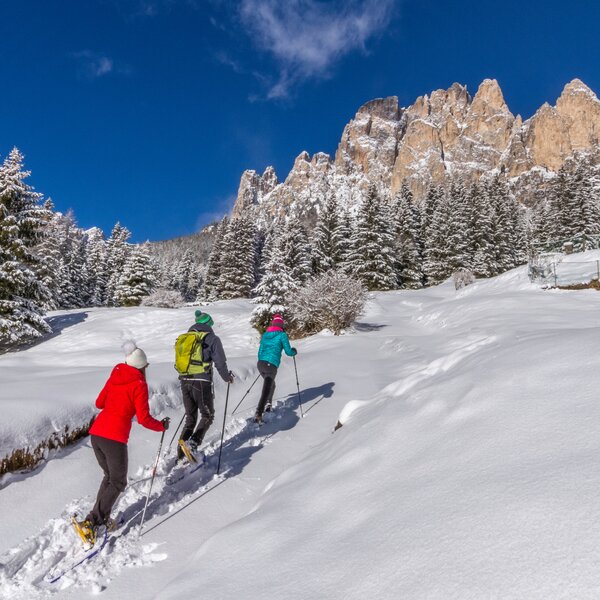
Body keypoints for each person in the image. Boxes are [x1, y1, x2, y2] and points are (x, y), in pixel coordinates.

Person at [75, 341, 169, 545]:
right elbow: (144, 419)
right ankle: (92, 522)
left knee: (109, 477)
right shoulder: (139, 384)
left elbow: (99, 403)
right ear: (142, 367)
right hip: (114, 438)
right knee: (118, 481)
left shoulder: (115, 376)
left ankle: (100, 517)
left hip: (97, 434)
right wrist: (161, 426)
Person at [177, 310, 233, 461]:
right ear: (208, 324)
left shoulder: (185, 338)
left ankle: (181, 455)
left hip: (184, 380)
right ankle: (193, 444)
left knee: (190, 418)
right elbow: (220, 362)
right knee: (207, 415)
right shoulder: (212, 339)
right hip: (202, 381)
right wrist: (227, 377)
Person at [254, 314, 297, 424]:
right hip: (271, 364)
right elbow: (288, 352)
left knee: (271, 385)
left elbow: (260, 351)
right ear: (281, 325)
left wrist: (262, 361)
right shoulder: (282, 335)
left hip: (261, 363)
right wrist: (294, 351)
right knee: (266, 389)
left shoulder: (265, 335)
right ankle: (259, 412)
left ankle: (268, 405)